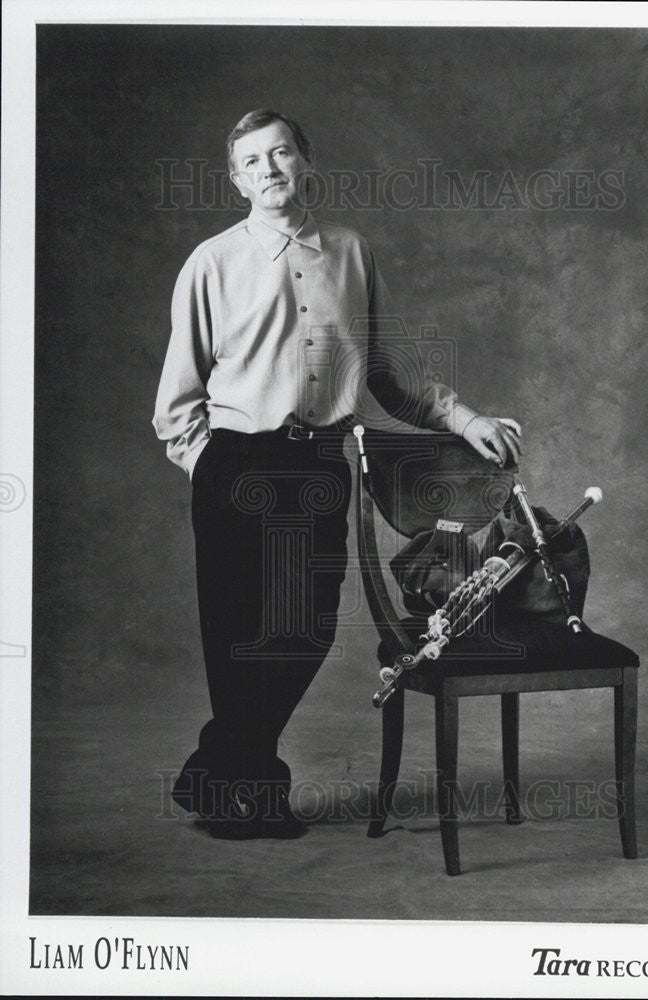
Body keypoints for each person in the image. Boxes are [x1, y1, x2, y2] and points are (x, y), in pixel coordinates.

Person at [152, 109, 522, 839]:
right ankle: (248, 795)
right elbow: (176, 403)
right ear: (236, 180)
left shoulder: (351, 253)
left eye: (281, 153)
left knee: (305, 631)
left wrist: (466, 418)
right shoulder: (210, 263)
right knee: (239, 639)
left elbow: (387, 375)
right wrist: (209, 469)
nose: (268, 170)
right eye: (251, 161)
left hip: (320, 462)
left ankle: (216, 771)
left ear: (306, 161)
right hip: (235, 465)